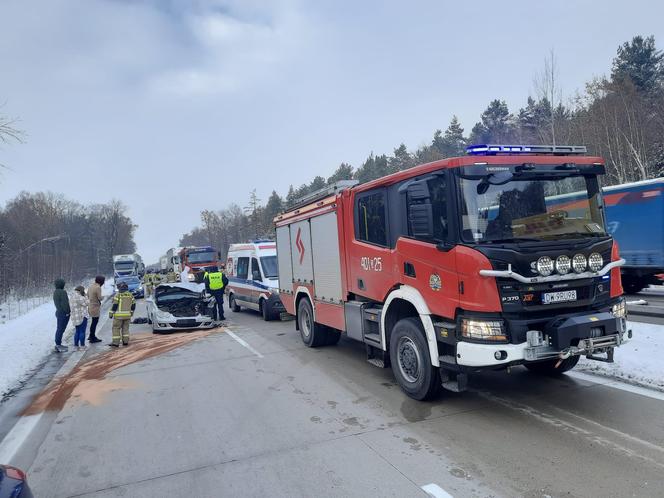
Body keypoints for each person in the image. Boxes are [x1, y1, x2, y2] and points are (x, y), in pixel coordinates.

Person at [109, 281, 135, 347]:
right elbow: (133, 305)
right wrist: (131, 313)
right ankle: (125, 342)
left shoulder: (118, 295)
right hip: (127, 316)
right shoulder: (130, 295)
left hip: (118, 316)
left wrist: (111, 314)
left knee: (116, 328)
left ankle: (116, 343)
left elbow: (115, 305)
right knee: (125, 329)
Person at [53, 278, 71, 352]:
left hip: (59, 312)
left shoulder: (55, 292)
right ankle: (58, 345)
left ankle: (58, 343)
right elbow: (65, 304)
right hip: (63, 313)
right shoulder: (63, 292)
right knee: (61, 329)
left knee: (59, 329)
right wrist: (68, 312)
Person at [70, 286, 89, 351]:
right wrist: (86, 296)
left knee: (77, 331)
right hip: (82, 316)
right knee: (82, 331)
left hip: (75, 317)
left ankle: (76, 346)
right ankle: (82, 346)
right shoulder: (80, 297)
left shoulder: (72, 296)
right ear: (81, 290)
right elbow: (87, 303)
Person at [87, 275, 105, 343]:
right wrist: (103, 297)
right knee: (94, 322)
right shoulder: (98, 287)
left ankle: (91, 335)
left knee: (93, 322)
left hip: (90, 306)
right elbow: (100, 298)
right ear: (101, 281)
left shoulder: (91, 286)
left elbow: (87, 295)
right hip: (95, 307)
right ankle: (92, 337)